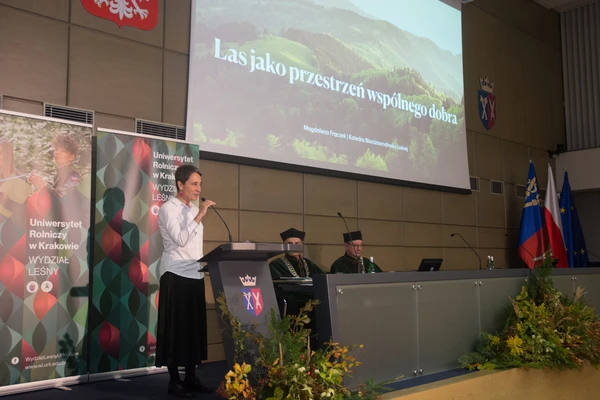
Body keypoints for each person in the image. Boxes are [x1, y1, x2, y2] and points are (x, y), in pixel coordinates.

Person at [155, 164, 216, 398]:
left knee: (192, 329)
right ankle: (174, 381)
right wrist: (200, 214)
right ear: (180, 184)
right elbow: (180, 240)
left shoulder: (191, 209)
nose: (198, 188)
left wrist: (196, 213)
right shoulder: (168, 209)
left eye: (200, 184)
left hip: (194, 274)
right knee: (175, 329)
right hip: (175, 275)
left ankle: (191, 377)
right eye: (194, 183)